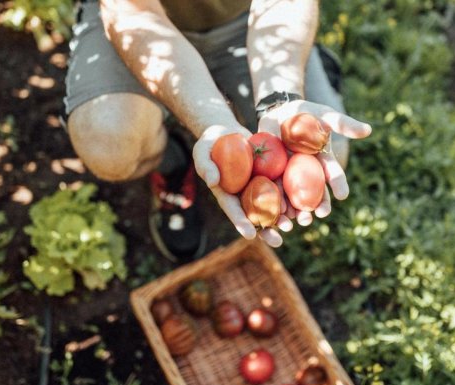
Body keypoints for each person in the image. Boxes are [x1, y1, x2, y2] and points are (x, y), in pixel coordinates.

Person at [63, 0, 372, 262]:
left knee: (331, 153)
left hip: (248, 16)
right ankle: (172, 160)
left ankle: (308, 63)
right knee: (108, 144)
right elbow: (136, 17)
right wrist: (211, 122)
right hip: (139, 23)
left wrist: (280, 98)